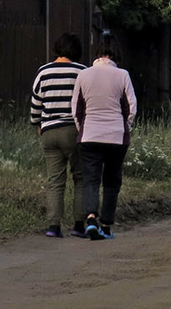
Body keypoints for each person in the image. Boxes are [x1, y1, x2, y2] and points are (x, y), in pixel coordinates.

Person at [71, 38, 137, 241]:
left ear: (97, 55)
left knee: (91, 179)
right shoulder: (122, 75)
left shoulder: (83, 75)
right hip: (116, 136)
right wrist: (125, 128)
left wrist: (82, 128)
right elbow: (131, 108)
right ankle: (106, 225)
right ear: (116, 56)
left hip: (89, 135)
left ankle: (90, 218)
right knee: (111, 181)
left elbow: (76, 108)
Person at [30, 32, 87, 238]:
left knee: (55, 180)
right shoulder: (82, 71)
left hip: (49, 131)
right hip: (74, 131)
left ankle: (53, 226)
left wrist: (37, 123)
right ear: (77, 51)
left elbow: (36, 103)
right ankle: (79, 225)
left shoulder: (43, 72)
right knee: (80, 177)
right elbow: (87, 102)